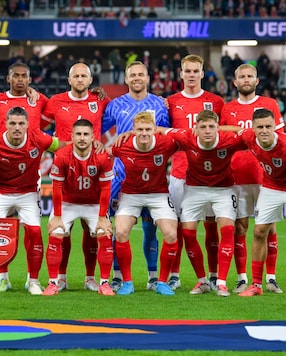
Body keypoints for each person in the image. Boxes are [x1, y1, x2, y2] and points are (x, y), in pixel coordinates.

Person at [229, 108, 286, 301]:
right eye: (259, 126)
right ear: (253, 127)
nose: (264, 130)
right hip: (271, 187)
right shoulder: (249, 138)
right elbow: (233, 129)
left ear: (275, 127)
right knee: (259, 231)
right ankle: (256, 285)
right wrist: (202, 128)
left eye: (268, 126)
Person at [0, 106, 65, 296]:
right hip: (0, 192)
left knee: (34, 232)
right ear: (5, 124)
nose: (17, 127)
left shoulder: (38, 138)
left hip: (28, 192)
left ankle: (33, 281)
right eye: (13, 123)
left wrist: (90, 144)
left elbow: (63, 146)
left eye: (21, 123)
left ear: (27, 125)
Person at [158, 110, 246, 296]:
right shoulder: (186, 137)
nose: (207, 131)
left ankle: (221, 282)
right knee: (188, 233)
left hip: (223, 189)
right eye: (203, 127)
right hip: (195, 189)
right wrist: (128, 133)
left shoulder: (228, 140)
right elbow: (158, 130)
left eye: (211, 127)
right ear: (196, 128)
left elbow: (247, 132)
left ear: (218, 128)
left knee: (228, 229)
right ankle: (202, 281)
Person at [102, 60, 170, 292]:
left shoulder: (160, 105)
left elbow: (167, 136)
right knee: (115, 228)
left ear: (148, 78)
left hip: (152, 178)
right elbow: (96, 128)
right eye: (133, 75)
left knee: (151, 227)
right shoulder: (115, 105)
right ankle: (118, 276)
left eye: (141, 74)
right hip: (121, 177)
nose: (137, 78)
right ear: (126, 78)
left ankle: (153, 277)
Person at [42, 62, 111, 293]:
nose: (80, 79)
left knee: (93, 233)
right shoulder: (55, 101)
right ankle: (60, 278)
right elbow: (38, 124)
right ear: (69, 80)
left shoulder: (100, 99)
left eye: (84, 76)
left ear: (91, 80)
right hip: (66, 166)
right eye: (76, 76)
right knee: (63, 231)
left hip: (92, 166)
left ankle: (91, 278)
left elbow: (112, 120)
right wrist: (54, 145)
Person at [0, 62, 49, 293]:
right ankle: (2, 277)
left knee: (32, 231)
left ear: (30, 80)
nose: (20, 80)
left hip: (30, 177)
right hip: (0, 177)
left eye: (24, 76)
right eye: (16, 76)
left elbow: (56, 116)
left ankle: (33, 280)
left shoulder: (39, 100)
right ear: (8, 78)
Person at [220, 63, 285, 294]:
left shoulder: (269, 105)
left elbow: (280, 139)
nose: (246, 80)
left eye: (250, 76)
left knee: (269, 227)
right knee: (241, 227)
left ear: (257, 81)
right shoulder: (227, 109)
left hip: (266, 176)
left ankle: (271, 277)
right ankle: (241, 278)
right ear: (235, 82)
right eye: (241, 77)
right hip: (236, 176)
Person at [166, 54, 225, 290]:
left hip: (210, 176)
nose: (191, 75)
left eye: (195, 71)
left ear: (202, 73)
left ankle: (212, 274)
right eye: (187, 71)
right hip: (180, 174)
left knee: (211, 226)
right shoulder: (169, 102)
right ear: (181, 74)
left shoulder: (216, 102)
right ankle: (174, 275)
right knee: (179, 227)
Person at [106, 111, 179, 296]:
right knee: (120, 232)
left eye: (148, 129)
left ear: (155, 130)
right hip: (131, 195)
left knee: (171, 234)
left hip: (159, 194)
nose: (144, 133)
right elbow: (103, 153)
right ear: (133, 131)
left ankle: (162, 282)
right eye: (140, 130)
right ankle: (127, 282)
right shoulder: (123, 145)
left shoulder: (166, 144)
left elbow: (186, 137)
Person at [45, 119, 115, 296]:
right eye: (78, 134)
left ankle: (103, 283)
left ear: (93, 137)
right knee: (56, 233)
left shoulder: (102, 157)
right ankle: (54, 282)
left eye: (86, 134)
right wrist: (58, 216)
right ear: (72, 136)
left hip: (93, 203)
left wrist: (101, 217)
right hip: (68, 203)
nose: (82, 138)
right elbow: (57, 187)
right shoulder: (61, 155)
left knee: (104, 233)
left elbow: (106, 188)